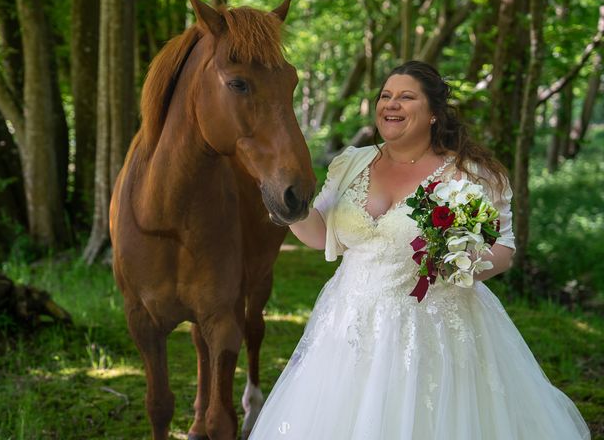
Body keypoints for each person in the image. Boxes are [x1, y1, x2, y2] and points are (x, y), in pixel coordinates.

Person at [247, 60, 591, 439]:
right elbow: (319, 234)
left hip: (433, 332)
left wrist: (458, 258)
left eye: (406, 97)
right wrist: (286, 207)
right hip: (348, 327)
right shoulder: (351, 163)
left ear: (432, 114)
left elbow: (504, 249)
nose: (391, 104)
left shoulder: (470, 174)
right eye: (385, 96)